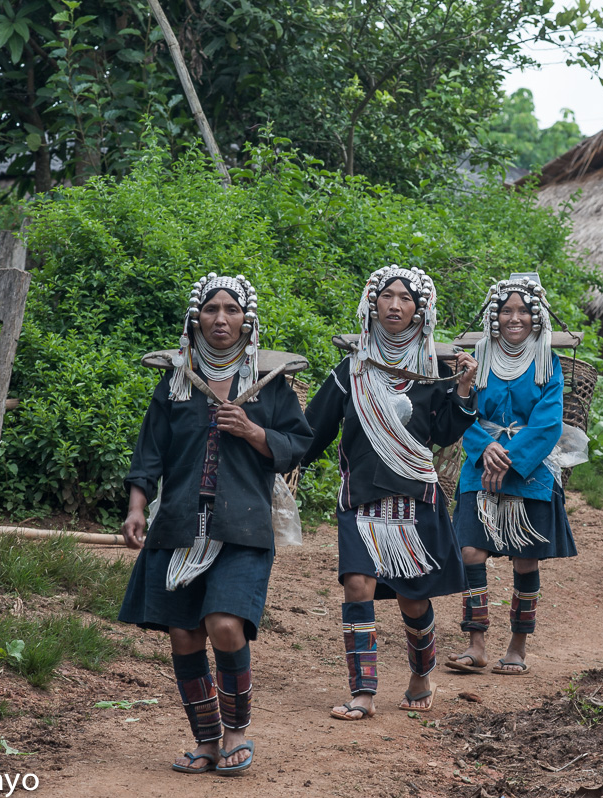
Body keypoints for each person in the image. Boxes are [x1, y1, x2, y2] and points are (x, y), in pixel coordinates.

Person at [119, 273, 312, 775]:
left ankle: (237, 732)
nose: (220, 319)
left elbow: (297, 444)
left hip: (241, 525)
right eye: (210, 310)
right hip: (180, 523)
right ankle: (205, 742)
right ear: (195, 319)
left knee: (224, 624)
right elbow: (150, 453)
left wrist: (252, 431)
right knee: (183, 635)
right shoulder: (177, 382)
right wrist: (137, 506)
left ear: (247, 321)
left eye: (231, 309)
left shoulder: (270, 385)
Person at [303, 265, 478, 721]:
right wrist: (277, 458)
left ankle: (422, 673)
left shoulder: (433, 371)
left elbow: (441, 433)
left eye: (406, 299)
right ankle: (362, 691)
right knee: (357, 585)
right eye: (387, 297)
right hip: (360, 497)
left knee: (412, 599)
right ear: (372, 304)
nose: (395, 305)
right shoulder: (351, 370)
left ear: (421, 311)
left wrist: (460, 391)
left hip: (413, 500)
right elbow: (312, 430)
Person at [444, 274, 577, 677]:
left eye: (522, 311)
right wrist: (485, 447)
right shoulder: (476, 359)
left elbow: (548, 422)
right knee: (470, 551)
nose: (514, 318)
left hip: (530, 470)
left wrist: (510, 460)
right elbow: (461, 407)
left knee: (525, 560)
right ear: (494, 317)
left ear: (535, 318)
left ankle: (517, 647)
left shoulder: (546, 362)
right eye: (506, 311)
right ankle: (476, 644)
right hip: (480, 464)